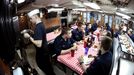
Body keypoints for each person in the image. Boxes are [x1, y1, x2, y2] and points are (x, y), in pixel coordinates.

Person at [23, 9, 55, 75]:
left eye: (31, 18)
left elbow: (39, 44)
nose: (30, 20)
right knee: (48, 67)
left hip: (42, 52)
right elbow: (39, 36)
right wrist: (33, 33)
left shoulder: (38, 27)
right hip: (45, 50)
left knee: (43, 66)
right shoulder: (41, 24)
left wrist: (29, 37)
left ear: (36, 16)